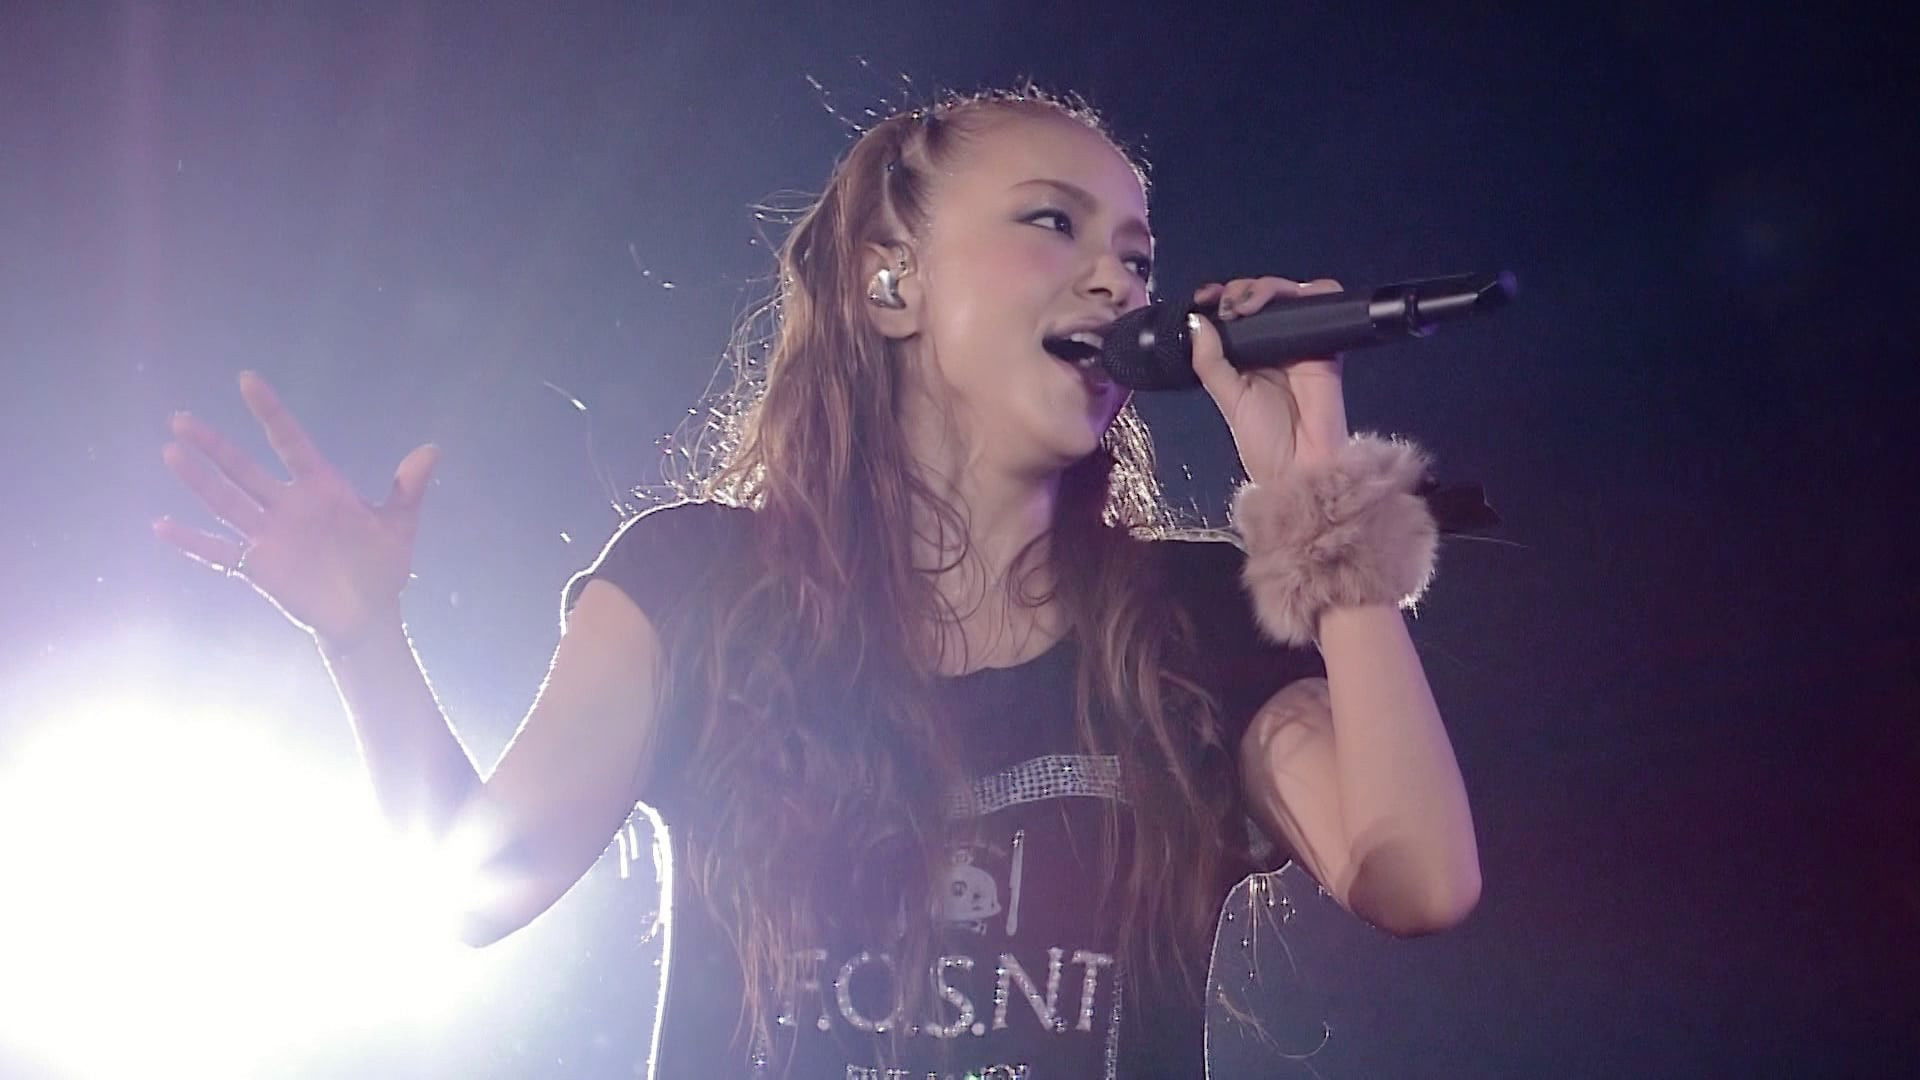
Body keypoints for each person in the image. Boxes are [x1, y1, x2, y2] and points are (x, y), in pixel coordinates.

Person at [156, 87, 1480, 1079]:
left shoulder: (1193, 618)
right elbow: (477, 890)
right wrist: (362, 637)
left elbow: (1418, 880)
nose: (1114, 279)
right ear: (890, 281)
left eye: (1136, 258)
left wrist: (1314, 483)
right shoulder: (695, 586)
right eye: (1051, 224)